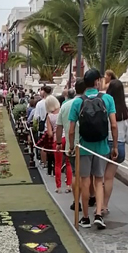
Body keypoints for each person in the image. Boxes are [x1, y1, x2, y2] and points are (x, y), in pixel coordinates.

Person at [69, 68, 118, 230]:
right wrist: (114, 146)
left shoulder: (77, 102)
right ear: (97, 81)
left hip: (84, 147)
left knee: (85, 182)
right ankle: (98, 214)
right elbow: (114, 125)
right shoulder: (108, 99)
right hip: (102, 146)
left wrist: (71, 147)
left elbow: (71, 130)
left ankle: (85, 217)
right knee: (99, 180)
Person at [103, 79, 128, 214]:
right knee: (109, 178)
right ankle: (104, 205)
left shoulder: (105, 108)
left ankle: (97, 202)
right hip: (119, 145)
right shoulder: (125, 112)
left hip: (104, 143)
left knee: (99, 176)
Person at [57, 81, 85, 210]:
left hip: (72, 145)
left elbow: (60, 127)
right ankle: (91, 200)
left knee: (75, 174)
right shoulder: (90, 102)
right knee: (90, 175)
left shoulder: (65, 105)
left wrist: (59, 143)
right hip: (88, 145)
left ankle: (77, 201)